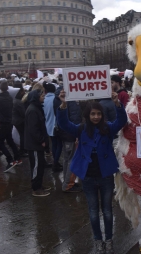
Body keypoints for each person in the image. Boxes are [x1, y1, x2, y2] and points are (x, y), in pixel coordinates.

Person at [57, 90, 127, 254]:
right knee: (93, 212)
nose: (96, 117)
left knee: (108, 211)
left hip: (105, 176)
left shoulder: (108, 128)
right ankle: (98, 241)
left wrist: (117, 103)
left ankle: (108, 240)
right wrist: (63, 104)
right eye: (93, 114)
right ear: (87, 115)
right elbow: (64, 124)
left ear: (102, 115)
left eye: (98, 114)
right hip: (88, 177)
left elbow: (121, 121)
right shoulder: (81, 129)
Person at [0, 82, 21, 172]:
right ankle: (18, 158)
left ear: (0, 89)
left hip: (3, 123)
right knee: (10, 141)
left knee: (0, 143)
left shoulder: (1, 98)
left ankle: (10, 160)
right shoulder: (9, 97)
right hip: (9, 122)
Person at [25, 89, 51, 197]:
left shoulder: (36, 108)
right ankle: (36, 188)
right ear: (36, 97)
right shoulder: (32, 110)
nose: (43, 97)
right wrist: (41, 140)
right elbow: (34, 129)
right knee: (36, 166)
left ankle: (39, 184)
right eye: (41, 95)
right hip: (34, 144)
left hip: (36, 144)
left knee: (40, 165)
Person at [43, 82, 63, 172]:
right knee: (59, 145)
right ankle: (55, 163)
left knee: (54, 145)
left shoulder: (44, 99)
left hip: (48, 125)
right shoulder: (55, 99)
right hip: (56, 125)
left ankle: (56, 162)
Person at [12, 82, 28, 157]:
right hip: (19, 121)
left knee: (22, 135)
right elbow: (23, 113)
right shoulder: (18, 101)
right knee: (23, 135)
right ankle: (23, 150)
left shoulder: (14, 99)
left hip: (16, 120)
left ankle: (22, 149)